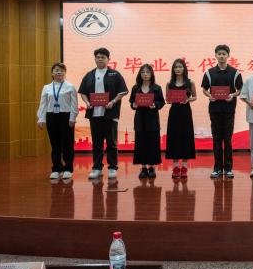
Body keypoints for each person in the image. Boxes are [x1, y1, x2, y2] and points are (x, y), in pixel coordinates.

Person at [78, 47, 128, 179]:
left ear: (108, 59)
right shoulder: (89, 75)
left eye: (103, 57)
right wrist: (87, 102)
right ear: (95, 59)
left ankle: (112, 168)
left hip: (110, 114)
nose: (100, 59)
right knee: (97, 143)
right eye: (98, 57)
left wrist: (113, 102)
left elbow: (122, 92)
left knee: (111, 143)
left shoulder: (115, 74)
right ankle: (97, 168)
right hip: (94, 115)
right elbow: (83, 92)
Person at [201, 44, 243, 179]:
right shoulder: (209, 73)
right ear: (215, 55)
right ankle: (217, 168)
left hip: (229, 110)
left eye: (224, 54)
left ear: (228, 55)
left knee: (228, 140)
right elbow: (204, 89)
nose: (221, 56)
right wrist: (210, 96)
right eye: (219, 54)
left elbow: (240, 90)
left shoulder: (235, 73)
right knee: (217, 139)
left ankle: (228, 168)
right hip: (214, 110)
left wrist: (232, 95)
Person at [37, 63, 79, 180]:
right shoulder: (46, 87)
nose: (59, 72)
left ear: (65, 73)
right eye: (56, 70)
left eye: (61, 70)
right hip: (51, 116)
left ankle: (68, 168)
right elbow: (43, 104)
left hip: (66, 116)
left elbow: (74, 104)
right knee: (55, 144)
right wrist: (41, 118)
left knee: (67, 144)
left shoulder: (70, 87)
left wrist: (72, 118)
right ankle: (56, 168)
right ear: (52, 73)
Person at [129, 64, 165, 179]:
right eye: (143, 72)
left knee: (152, 144)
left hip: (152, 119)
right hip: (140, 119)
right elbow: (132, 102)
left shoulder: (157, 88)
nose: (145, 74)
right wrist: (133, 105)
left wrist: (155, 105)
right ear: (140, 74)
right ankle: (143, 167)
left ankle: (152, 167)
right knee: (141, 144)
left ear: (151, 74)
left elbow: (161, 102)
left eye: (148, 72)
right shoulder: (135, 88)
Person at [165, 58, 197, 179]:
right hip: (174, 113)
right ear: (173, 69)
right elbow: (167, 99)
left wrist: (188, 100)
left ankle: (184, 167)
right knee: (174, 138)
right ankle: (175, 167)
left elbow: (195, 97)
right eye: (176, 67)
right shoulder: (169, 83)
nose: (178, 69)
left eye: (180, 67)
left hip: (185, 112)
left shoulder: (190, 82)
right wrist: (170, 100)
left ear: (184, 68)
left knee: (185, 137)